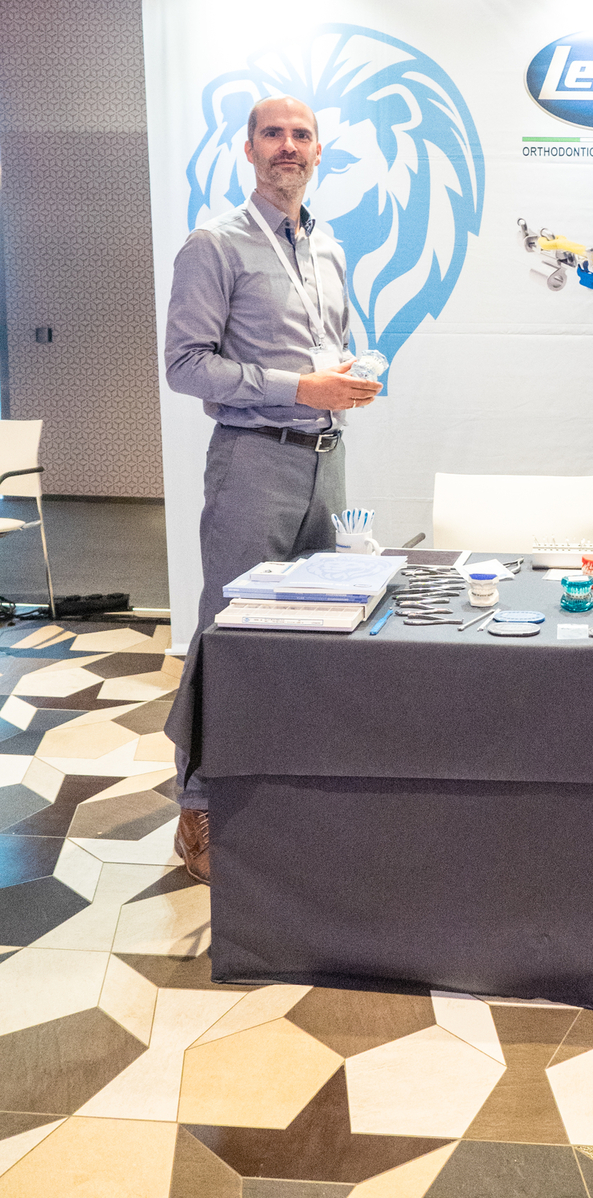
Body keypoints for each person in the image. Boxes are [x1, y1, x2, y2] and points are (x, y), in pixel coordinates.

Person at [162, 94, 382, 882]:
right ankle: (198, 807)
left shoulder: (329, 246)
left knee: (314, 631)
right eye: (273, 134)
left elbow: (325, 347)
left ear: (319, 151)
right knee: (228, 633)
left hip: (326, 458)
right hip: (253, 460)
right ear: (249, 149)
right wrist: (299, 388)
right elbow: (186, 365)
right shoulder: (213, 245)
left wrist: (345, 378)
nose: (288, 146)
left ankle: (283, 792)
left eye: (302, 135)